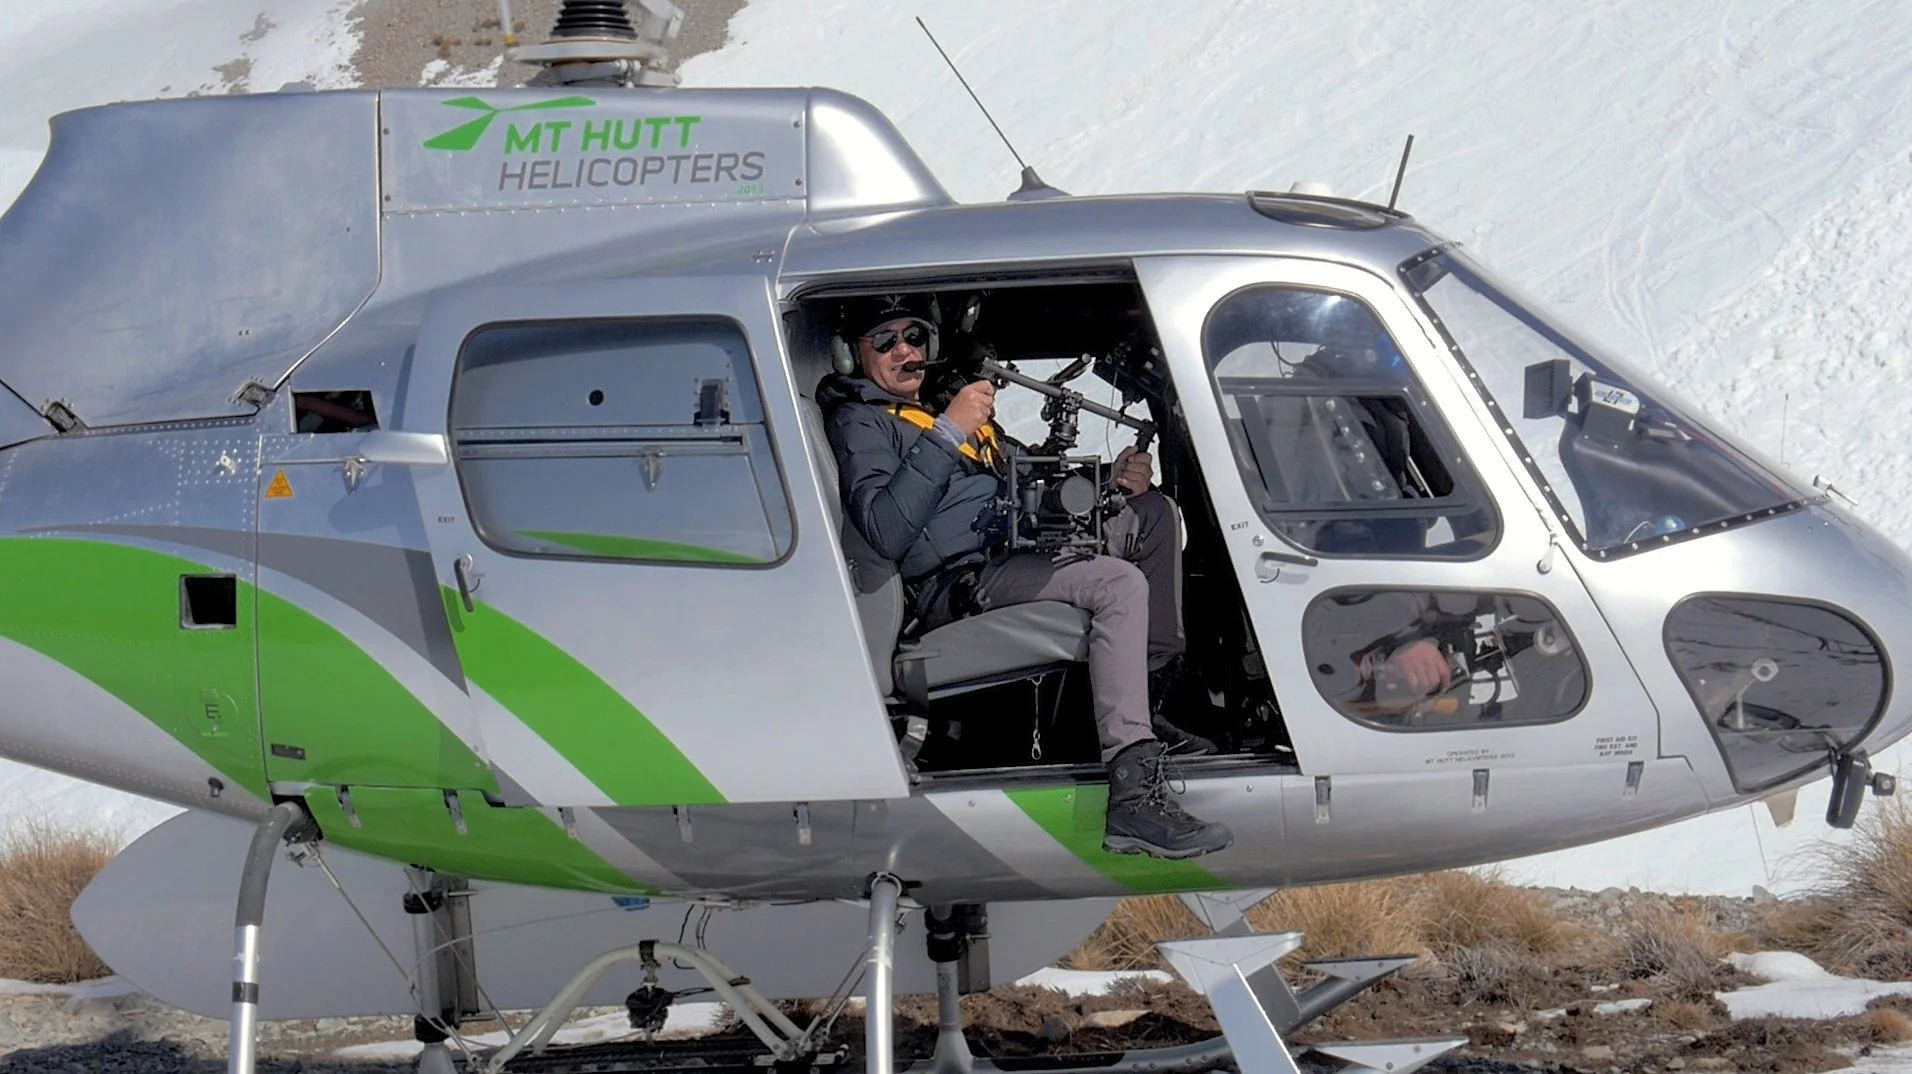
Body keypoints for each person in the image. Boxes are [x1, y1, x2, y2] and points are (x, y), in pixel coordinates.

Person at [816, 294, 1232, 861]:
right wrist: (948, 432)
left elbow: (1020, 478)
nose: (904, 351)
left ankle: (1149, 710)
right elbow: (886, 530)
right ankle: (1133, 795)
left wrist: (1107, 483)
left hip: (1013, 547)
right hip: (961, 581)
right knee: (1118, 584)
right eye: (884, 342)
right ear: (851, 356)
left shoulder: (935, 409)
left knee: (1153, 516)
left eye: (913, 337)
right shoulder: (861, 421)